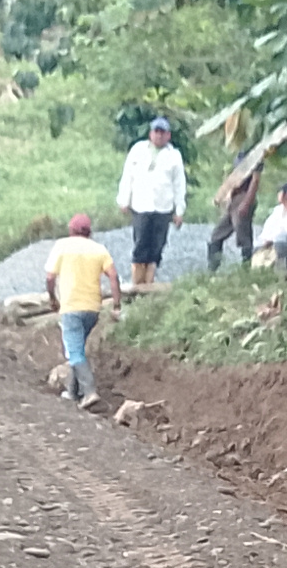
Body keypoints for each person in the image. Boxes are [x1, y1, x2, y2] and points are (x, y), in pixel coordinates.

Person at [43, 213, 121, 405]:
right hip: (92, 308)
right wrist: (116, 304)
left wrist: (53, 298)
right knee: (77, 348)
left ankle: (89, 392)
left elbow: (50, 277)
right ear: (89, 232)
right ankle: (73, 392)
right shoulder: (99, 249)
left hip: (71, 307)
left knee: (74, 352)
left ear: (71, 230)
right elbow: (113, 276)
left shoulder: (62, 246)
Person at [116, 116, 187, 286]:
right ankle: (137, 283)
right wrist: (124, 199)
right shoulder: (138, 150)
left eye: (163, 133)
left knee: (157, 246)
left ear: (168, 135)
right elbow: (128, 176)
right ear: (151, 133)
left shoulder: (174, 156)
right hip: (141, 205)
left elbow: (179, 184)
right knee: (141, 244)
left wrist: (179, 210)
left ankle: (149, 284)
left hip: (163, 207)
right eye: (156, 132)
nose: (159, 136)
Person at [207, 162, 261, 270]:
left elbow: (255, 180)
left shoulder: (256, 158)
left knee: (244, 236)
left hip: (244, 196)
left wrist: (246, 202)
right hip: (235, 198)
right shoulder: (242, 156)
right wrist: (224, 195)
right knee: (217, 234)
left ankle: (246, 269)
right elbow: (234, 179)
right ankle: (212, 268)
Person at [254, 180, 287, 270]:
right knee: (258, 243)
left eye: (280, 192)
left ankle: (284, 265)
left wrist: (273, 238)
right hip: (273, 241)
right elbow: (268, 226)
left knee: (281, 237)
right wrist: (266, 239)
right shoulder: (278, 210)